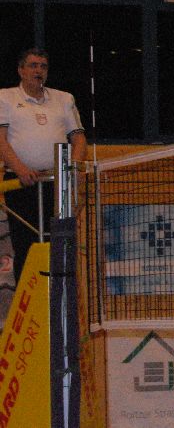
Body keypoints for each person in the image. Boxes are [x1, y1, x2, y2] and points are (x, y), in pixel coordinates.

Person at [0, 47, 86, 281]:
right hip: (21, 182)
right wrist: (21, 169)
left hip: (57, 183)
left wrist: (72, 169)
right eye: (33, 65)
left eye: (43, 66)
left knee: (59, 243)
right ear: (21, 70)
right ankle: (27, 300)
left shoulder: (64, 99)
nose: (38, 71)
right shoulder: (5, 97)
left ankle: (58, 297)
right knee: (25, 244)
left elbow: (79, 139)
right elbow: (1, 141)